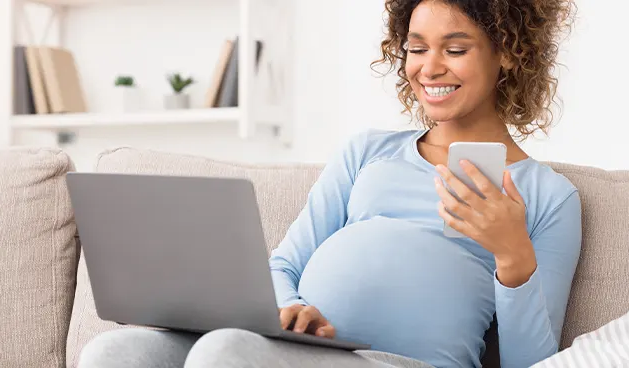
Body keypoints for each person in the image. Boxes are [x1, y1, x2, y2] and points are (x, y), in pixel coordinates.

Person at [78, 0, 581, 367]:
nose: (430, 67)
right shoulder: (367, 152)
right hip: (302, 349)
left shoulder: (546, 196)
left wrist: (513, 258)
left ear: (509, 53)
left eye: (455, 48)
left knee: (226, 352)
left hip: (401, 364)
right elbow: (284, 264)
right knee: (115, 353)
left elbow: (533, 363)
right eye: (417, 48)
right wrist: (290, 308)